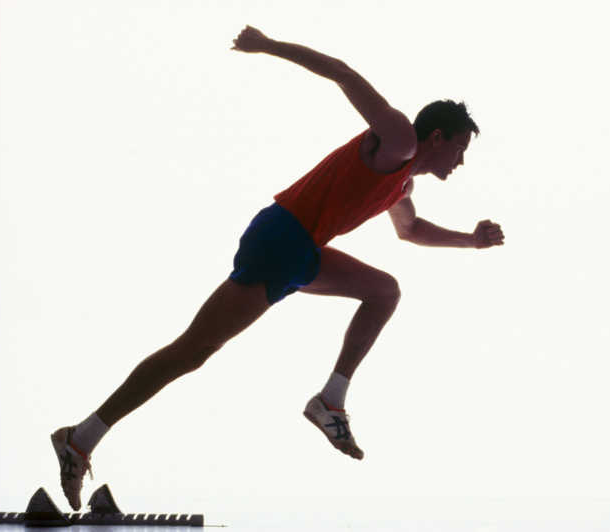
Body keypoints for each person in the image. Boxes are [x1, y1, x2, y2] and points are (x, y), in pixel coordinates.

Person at [51, 25, 505, 511]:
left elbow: (410, 230)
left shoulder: (402, 184)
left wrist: (471, 241)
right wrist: (267, 45)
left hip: (303, 251)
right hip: (284, 236)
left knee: (384, 291)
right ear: (437, 136)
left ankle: (330, 400)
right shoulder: (397, 138)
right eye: (460, 148)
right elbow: (343, 74)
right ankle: (80, 438)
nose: (461, 161)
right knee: (193, 350)